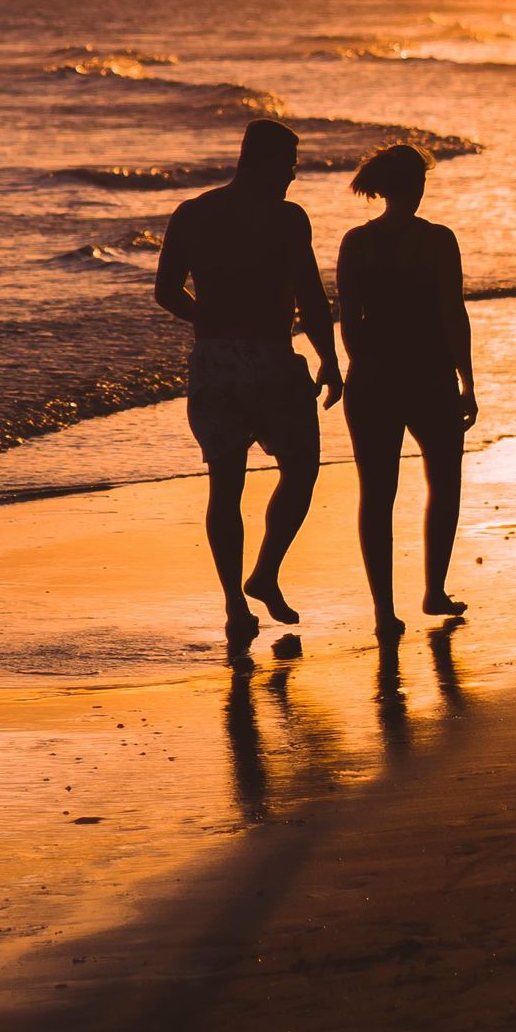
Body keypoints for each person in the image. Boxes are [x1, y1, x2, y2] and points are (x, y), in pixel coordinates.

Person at [154, 118, 343, 654]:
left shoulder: (195, 213)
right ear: (262, 162)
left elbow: (167, 291)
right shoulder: (284, 219)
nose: (293, 174)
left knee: (238, 481)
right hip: (262, 360)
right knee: (293, 470)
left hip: (220, 363)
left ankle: (248, 593)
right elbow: (309, 294)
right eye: (289, 164)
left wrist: (205, 320)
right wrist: (328, 358)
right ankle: (251, 587)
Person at [337, 142, 477, 644]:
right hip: (429, 375)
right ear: (411, 187)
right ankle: (433, 591)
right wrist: (467, 379)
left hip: (372, 378)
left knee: (377, 494)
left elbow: (348, 319)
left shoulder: (357, 242)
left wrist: (362, 367)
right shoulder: (438, 240)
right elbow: (451, 313)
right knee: (444, 483)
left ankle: (384, 611)